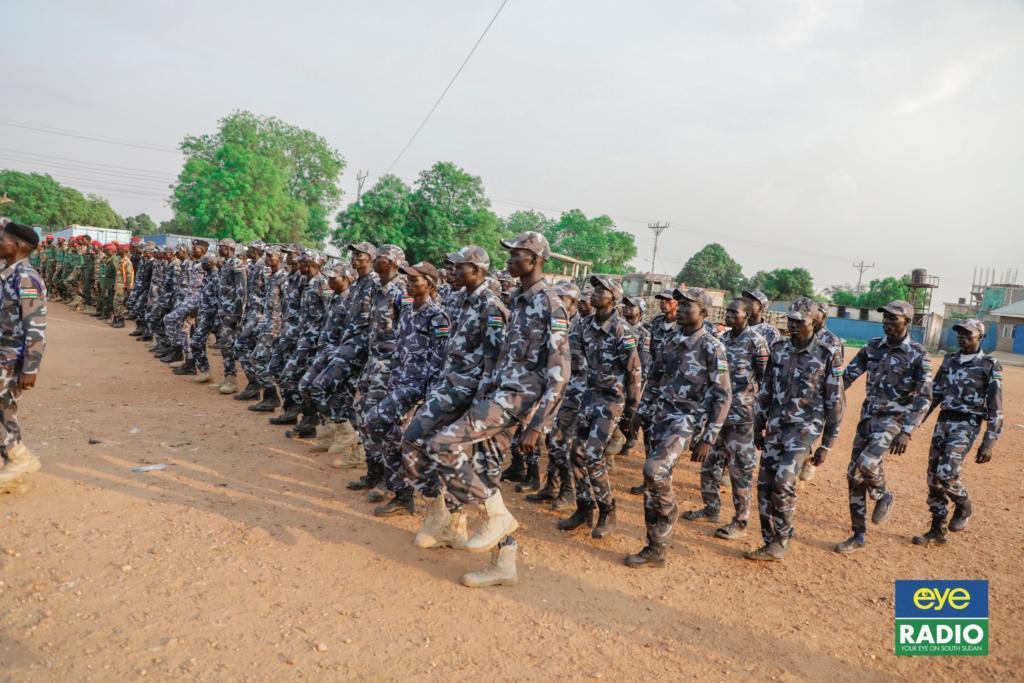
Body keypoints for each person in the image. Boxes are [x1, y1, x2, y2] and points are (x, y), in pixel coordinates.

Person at [426, 231, 570, 587]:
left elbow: (560, 373)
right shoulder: (518, 300)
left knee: (443, 444)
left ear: (535, 259)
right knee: (485, 472)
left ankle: (495, 516)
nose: (508, 259)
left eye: (516, 253)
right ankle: (503, 562)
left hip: (516, 400)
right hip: (497, 395)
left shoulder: (551, 305)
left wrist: (538, 425)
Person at [402, 246, 508, 547]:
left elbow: (495, 362)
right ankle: (439, 513)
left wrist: (480, 405)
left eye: (459, 267)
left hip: (472, 395)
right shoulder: (458, 298)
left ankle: (461, 522)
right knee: (413, 439)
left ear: (477, 270)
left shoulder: (492, 306)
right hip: (448, 388)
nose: (452, 271)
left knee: (461, 456)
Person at [624, 287, 731, 568]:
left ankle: (669, 512)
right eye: (680, 304)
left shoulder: (712, 347)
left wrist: (709, 437)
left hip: (686, 420)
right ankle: (655, 547)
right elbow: (655, 378)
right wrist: (640, 413)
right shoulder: (671, 339)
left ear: (703, 312)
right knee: (653, 481)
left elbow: (723, 396)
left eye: (688, 305)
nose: (681, 309)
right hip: (660, 416)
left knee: (654, 471)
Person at [747, 298, 844, 562]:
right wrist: (758, 425)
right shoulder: (778, 349)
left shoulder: (827, 354)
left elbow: (835, 402)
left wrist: (826, 444)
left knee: (783, 482)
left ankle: (781, 539)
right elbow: (766, 390)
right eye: (790, 320)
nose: (792, 325)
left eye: (799, 321)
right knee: (765, 485)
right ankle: (769, 540)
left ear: (814, 322)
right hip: (776, 426)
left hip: (804, 429)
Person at [832, 300, 932, 554]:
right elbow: (847, 377)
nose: (887, 322)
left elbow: (924, 397)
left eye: (893, 318)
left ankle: (883, 495)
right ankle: (858, 535)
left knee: (866, 464)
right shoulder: (872, 347)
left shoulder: (918, 354)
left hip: (893, 420)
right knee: (853, 476)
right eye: (885, 317)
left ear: (907, 322)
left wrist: (907, 431)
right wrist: (827, 399)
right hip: (867, 418)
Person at [558, 275, 641, 540]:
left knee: (592, 454)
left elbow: (634, 372)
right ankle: (584, 508)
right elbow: (574, 360)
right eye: (593, 289)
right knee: (575, 451)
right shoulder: (584, 325)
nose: (593, 293)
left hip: (612, 400)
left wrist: (631, 411)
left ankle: (607, 509)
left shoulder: (622, 330)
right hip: (589, 396)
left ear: (613, 298)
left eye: (600, 290)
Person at [365, 261, 448, 516]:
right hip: (399, 382)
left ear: (429, 284)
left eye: (415, 280)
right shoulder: (408, 309)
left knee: (375, 419)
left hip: (417, 389)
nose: (409, 284)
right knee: (390, 438)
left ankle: (431, 488)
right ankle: (402, 496)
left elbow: (439, 362)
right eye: (408, 279)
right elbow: (400, 348)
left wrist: (427, 400)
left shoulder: (437, 317)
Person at [683, 297, 768, 540]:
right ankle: (711, 508)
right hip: (717, 414)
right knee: (709, 463)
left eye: (734, 312)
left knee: (740, 470)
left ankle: (740, 521)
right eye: (727, 311)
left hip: (742, 417)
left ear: (747, 316)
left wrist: (760, 418)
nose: (728, 315)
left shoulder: (756, 342)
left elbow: (766, 380)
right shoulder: (721, 340)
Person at [913, 319, 1002, 546]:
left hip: (967, 423)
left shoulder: (990, 365)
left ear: (980, 337)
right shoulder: (949, 360)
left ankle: (964, 505)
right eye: (960, 333)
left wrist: (989, 441)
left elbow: (995, 406)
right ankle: (937, 531)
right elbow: (935, 394)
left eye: (968, 334)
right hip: (944, 421)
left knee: (946, 473)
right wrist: (913, 424)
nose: (962, 337)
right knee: (933, 478)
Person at [307, 243, 378, 460]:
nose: (354, 257)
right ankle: (348, 441)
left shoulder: (376, 284)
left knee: (321, 386)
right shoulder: (358, 285)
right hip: (347, 346)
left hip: (362, 350)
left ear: (371, 258)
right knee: (341, 396)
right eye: (353, 254)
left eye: (359, 255)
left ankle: (347, 433)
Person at [0, 222, 47, 493]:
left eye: (2, 239)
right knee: (4, 408)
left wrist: (31, 368)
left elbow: (36, 326)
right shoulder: (6, 274)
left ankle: (18, 457)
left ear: (18, 246)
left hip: (11, 357)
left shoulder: (26, 278)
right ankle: (14, 466)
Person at [526, 280, 580, 510]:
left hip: (575, 392)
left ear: (574, 303)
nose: (556, 301)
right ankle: (552, 486)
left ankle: (568, 491)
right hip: (554, 389)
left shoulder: (581, 326)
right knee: (550, 438)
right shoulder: (554, 321)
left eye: (562, 298)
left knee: (560, 441)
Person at [215, 238, 247, 394]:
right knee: (225, 344)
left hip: (232, 312)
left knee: (229, 345)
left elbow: (241, 290)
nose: (218, 249)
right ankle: (228, 376)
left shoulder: (237, 264)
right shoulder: (226, 263)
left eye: (220, 247)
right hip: (224, 310)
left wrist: (237, 313)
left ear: (228, 248)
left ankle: (232, 381)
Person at [110, 243, 135, 329]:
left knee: (119, 303)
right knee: (116, 303)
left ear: (123, 251)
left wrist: (129, 287)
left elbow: (129, 275)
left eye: (119, 250)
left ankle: (120, 321)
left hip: (122, 286)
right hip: (118, 285)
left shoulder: (127, 262)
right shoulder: (121, 260)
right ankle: (116, 319)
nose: (117, 251)